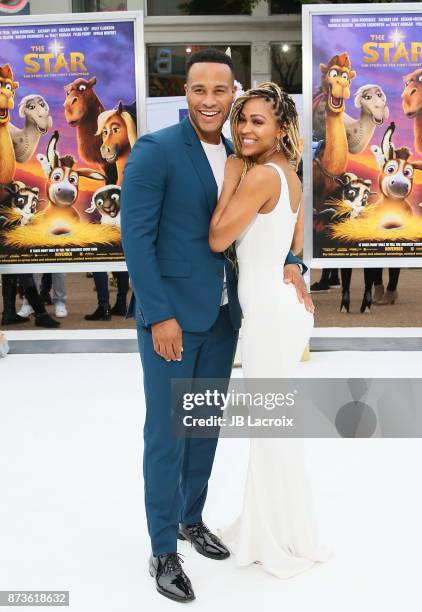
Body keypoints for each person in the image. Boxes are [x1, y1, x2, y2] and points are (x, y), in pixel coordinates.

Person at [121, 49, 313, 603]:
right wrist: (160, 315)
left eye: (220, 91)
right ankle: (162, 550)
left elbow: (270, 225)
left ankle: (191, 518)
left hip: (226, 316)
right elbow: (136, 242)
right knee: (166, 433)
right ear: (185, 92)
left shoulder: (238, 152)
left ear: (233, 96)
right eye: (199, 89)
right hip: (173, 320)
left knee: (202, 426)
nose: (210, 100)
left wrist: (293, 265)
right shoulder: (155, 152)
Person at [209, 82, 327, 578]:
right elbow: (291, 247)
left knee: (269, 428)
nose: (245, 129)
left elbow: (218, 237)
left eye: (258, 121)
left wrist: (234, 169)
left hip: (270, 318)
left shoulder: (258, 177)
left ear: (281, 129)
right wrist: (291, 267)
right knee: (271, 427)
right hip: (278, 312)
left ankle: (275, 537)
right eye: (242, 120)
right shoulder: (289, 174)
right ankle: (278, 529)